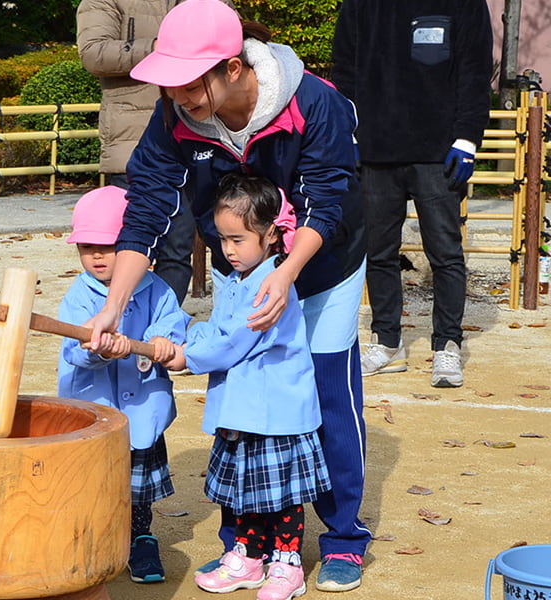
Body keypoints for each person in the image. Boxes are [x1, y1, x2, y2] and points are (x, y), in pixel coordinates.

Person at [84, 0, 371, 592]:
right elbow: (146, 210)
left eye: (189, 85)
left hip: (321, 266)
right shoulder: (175, 120)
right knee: (239, 394)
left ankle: (342, 536)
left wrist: (287, 271)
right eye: (170, 87)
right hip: (242, 272)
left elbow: (328, 195)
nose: (178, 99)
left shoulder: (312, 101)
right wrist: (111, 306)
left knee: (325, 396)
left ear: (233, 69)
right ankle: (243, 547)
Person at [163, 173, 328, 600]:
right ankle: (249, 556)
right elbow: (218, 329)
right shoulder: (237, 281)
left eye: (238, 239)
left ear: (271, 234)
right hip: (243, 410)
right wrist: (181, 337)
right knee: (245, 490)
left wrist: (185, 357)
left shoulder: (271, 286)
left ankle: (286, 564)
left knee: (282, 495)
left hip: (274, 413)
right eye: (222, 239)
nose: (228, 250)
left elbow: (234, 342)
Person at [331, 0, 494, 388]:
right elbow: (345, 70)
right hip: (375, 149)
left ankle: (447, 345)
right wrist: (348, 132)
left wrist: (468, 138)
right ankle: (387, 342)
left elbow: (475, 71)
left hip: (438, 152)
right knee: (378, 252)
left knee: (446, 254)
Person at [56, 185, 191, 583]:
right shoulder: (79, 296)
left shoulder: (158, 290)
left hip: (140, 413)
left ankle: (140, 539)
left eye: (109, 245)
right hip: (92, 414)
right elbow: (74, 351)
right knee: (91, 486)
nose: (97, 256)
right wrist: (95, 350)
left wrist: (155, 346)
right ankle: (90, 542)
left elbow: (170, 330)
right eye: (87, 246)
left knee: (137, 490)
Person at [76, 0, 212, 303]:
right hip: (131, 138)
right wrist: (164, 48)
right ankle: (121, 322)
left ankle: (162, 328)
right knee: (124, 246)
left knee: (178, 249)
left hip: (198, 135)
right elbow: (94, 53)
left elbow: (231, 37)